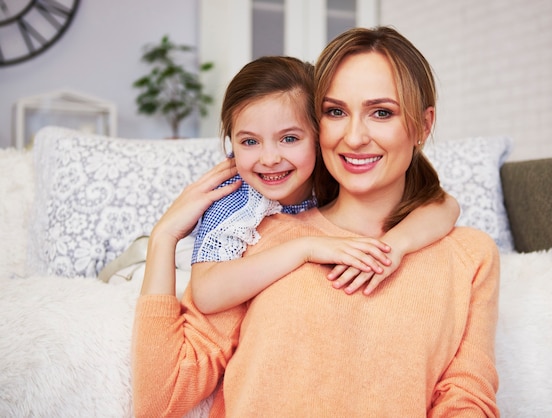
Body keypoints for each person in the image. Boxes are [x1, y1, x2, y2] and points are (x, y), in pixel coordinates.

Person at [133, 26, 499, 417]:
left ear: (423, 126)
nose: (355, 136)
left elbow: (465, 399)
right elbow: (162, 398)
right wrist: (163, 238)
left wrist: (396, 246)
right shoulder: (257, 238)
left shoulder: (469, 255)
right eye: (336, 112)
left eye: (381, 112)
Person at [188, 55, 460, 314]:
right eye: (249, 142)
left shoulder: (332, 170)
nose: (269, 159)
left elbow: (445, 205)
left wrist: (395, 245)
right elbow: (206, 294)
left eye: (290, 139)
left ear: (318, 136)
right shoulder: (236, 199)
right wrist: (306, 248)